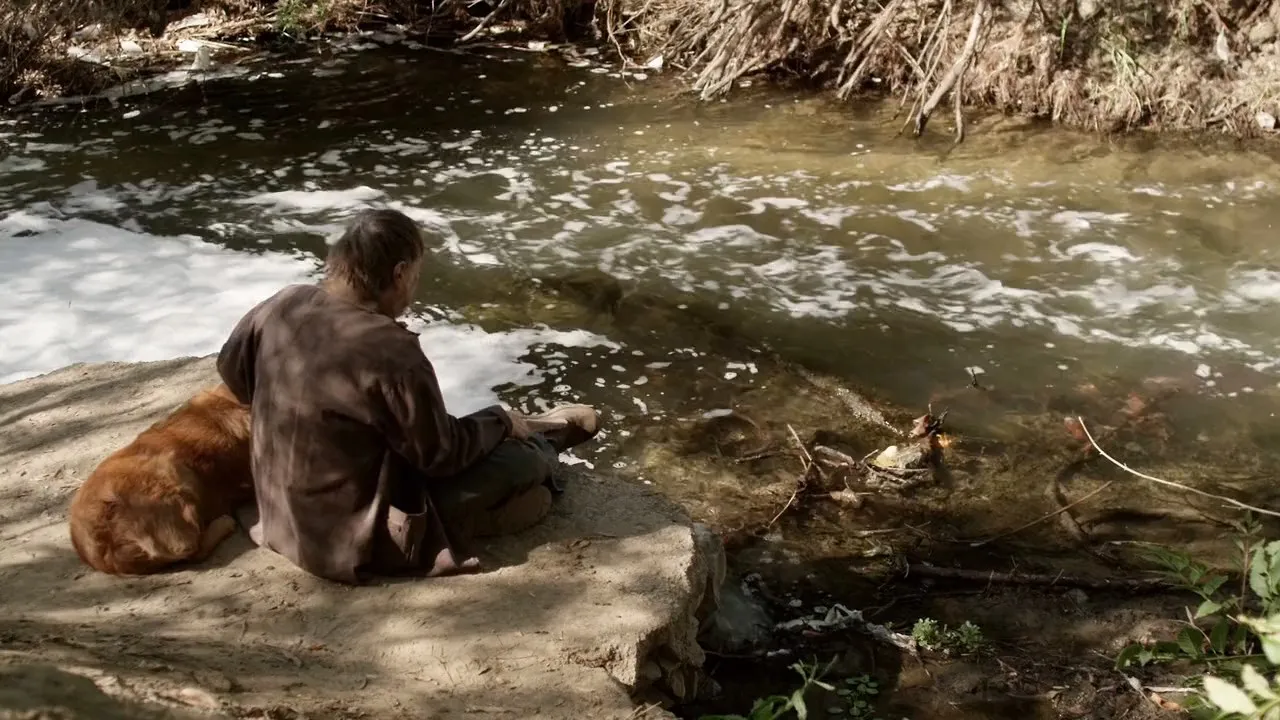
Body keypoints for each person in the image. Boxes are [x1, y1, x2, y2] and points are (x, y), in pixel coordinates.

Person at [215, 207, 601, 585]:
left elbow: (233, 376)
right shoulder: (391, 349)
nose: (413, 293)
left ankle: (531, 436)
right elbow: (440, 456)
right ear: (399, 274)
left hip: (281, 519)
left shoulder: (282, 304)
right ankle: (541, 440)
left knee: (464, 439)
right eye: (416, 278)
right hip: (351, 540)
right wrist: (497, 420)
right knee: (520, 464)